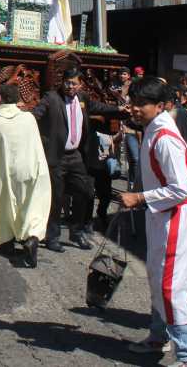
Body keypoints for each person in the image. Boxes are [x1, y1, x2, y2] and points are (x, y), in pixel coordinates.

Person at [120, 76, 187, 367]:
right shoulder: (153, 129)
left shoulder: (164, 138)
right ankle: (158, 337)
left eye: (141, 104)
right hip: (164, 216)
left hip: (178, 218)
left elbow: (184, 187)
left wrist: (139, 197)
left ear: (160, 106)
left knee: (171, 287)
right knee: (158, 278)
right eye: (132, 102)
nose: (134, 108)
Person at [31, 67, 123, 251]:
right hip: (56, 156)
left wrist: (119, 109)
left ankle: (76, 231)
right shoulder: (51, 98)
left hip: (76, 156)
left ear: (80, 85)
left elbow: (99, 107)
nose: (70, 86)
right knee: (56, 198)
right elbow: (37, 113)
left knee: (86, 192)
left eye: (74, 83)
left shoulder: (82, 99)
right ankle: (52, 237)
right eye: (67, 82)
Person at [0, 84, 51, 267]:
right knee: (30, 206)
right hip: (31, 169)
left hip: (6, 172)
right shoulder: (28, 118)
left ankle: (5, 240)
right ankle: (31, 237)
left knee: (4, 205)